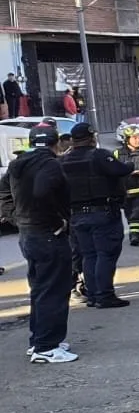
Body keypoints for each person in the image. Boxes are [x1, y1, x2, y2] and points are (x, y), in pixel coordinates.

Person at [0, 123, 76, 363]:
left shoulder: (16, 164)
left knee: (41, 289)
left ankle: (39, 340)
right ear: (56, 143)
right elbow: (43, 192)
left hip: (28, 233)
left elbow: (3, 195)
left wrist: (16, 218)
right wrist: (59, 221)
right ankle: (47, 346)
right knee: (54, 289)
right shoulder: (50, 164)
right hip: (47, 234)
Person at [58, 123, 134, 309]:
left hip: (77, 215)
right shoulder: (99, 155)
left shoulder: (63, 160)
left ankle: (92, 294)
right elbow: (121, 170)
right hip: (102, 212)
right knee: (105, 254)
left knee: (88, 255)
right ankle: (104, 294)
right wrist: (131, 164)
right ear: (91, 137)